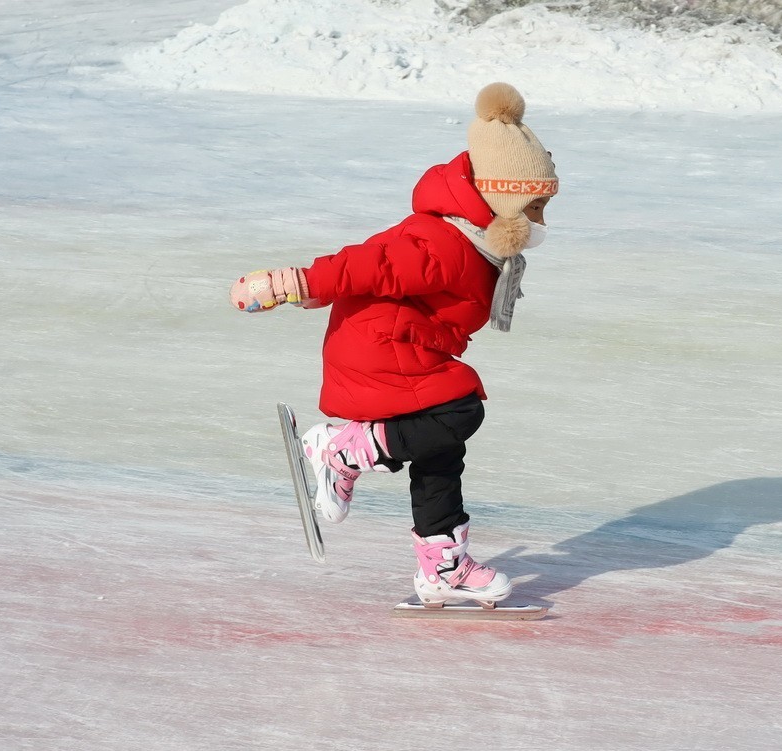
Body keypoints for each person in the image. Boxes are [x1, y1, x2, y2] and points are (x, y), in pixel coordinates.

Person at [228, 83, 558, 607]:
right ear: (502, 199)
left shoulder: (473, 241)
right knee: (460, 410)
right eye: (535, 208)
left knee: (442, 449)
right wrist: (294, 283)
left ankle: (442, 566)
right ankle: (340, 451)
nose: (541, 221)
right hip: (379, 350)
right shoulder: (444, 244)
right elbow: (369, 264)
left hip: (409, 348)